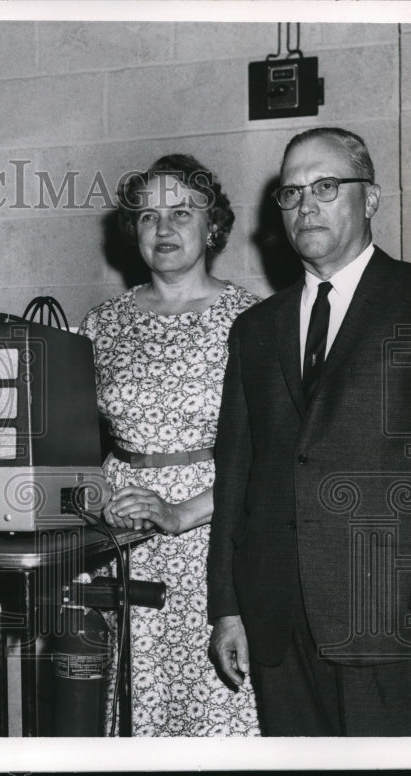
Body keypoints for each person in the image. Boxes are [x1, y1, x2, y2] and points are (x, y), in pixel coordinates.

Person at [207, 127, 411, 736]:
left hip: (390, 620)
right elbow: (234, 476)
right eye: (290, 194)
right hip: (277, 624)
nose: (305, 205)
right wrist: (229, 608)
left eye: (325, 186)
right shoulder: (255, 329)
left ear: (369, 198)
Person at [79, 154, 260, 736]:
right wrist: (94, 499)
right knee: (134, 704)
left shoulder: (252, 321)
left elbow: (270, 452)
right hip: (120, 535)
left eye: (181, 212)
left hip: (216, 533)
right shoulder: (101, 324)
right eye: (148, 215)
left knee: (216, 708)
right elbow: (71, 443)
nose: (163, 228)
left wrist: (182, 512)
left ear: (213, 226)